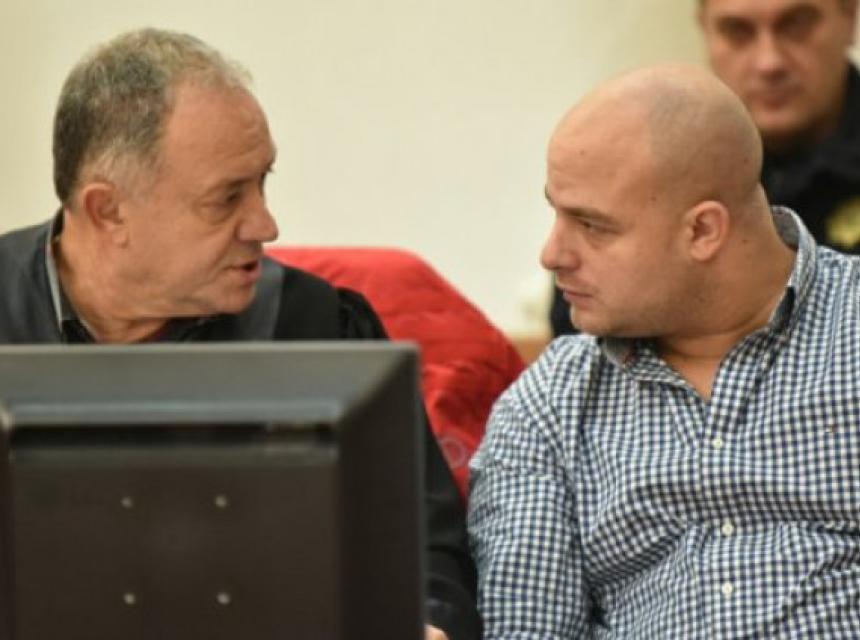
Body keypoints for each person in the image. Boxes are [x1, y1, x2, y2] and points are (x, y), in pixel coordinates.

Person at [0, 29, 477, 640]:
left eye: (262, 182)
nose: (266, 225)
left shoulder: (317, 328)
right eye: (226, 199)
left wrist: (431, 624)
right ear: (108, 211)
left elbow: (428, 562)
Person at [469, 63, 860, 637]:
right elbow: (527, 629)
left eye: (591, 225)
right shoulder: (548, 407)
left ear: (703, 231)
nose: (552, 255)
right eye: (556, 212)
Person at [551, 0, 860, 336]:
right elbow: (580, 335)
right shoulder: (638, 164)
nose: (769, 62)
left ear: (850, 17)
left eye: (796, 24)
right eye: (737, 31)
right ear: (705, 29)